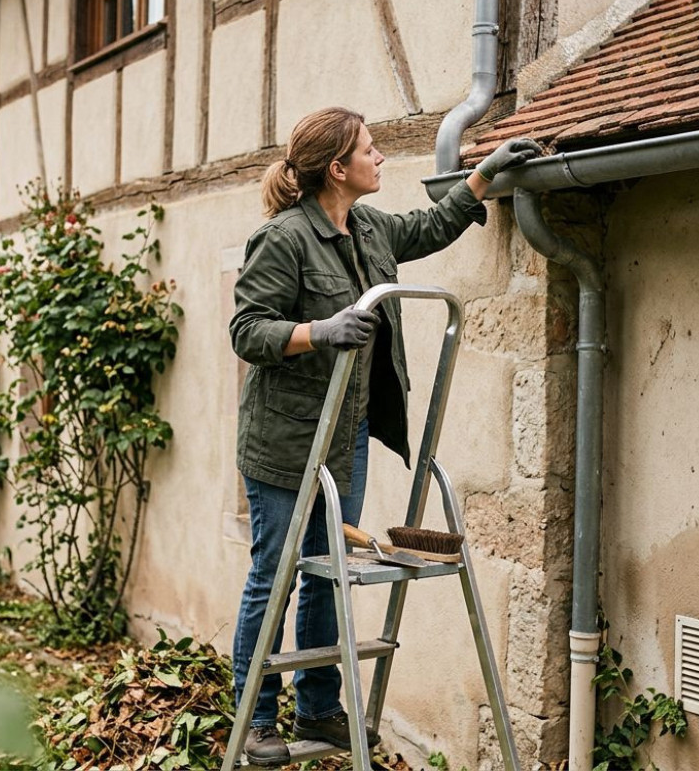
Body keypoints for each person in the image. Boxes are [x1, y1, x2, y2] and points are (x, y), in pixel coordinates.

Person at [228, 106, 540, 766]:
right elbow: (248, 330)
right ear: (337, 168)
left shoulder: (370, 228)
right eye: (369, 150)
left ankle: (318, 707)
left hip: (345, 437)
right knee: (275, 576)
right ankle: (255, 718)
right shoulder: (283, 239)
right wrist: (320, 330)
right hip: (284, 443)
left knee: (328, 574)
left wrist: (483, 174)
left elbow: (429, 226)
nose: (380, 158)